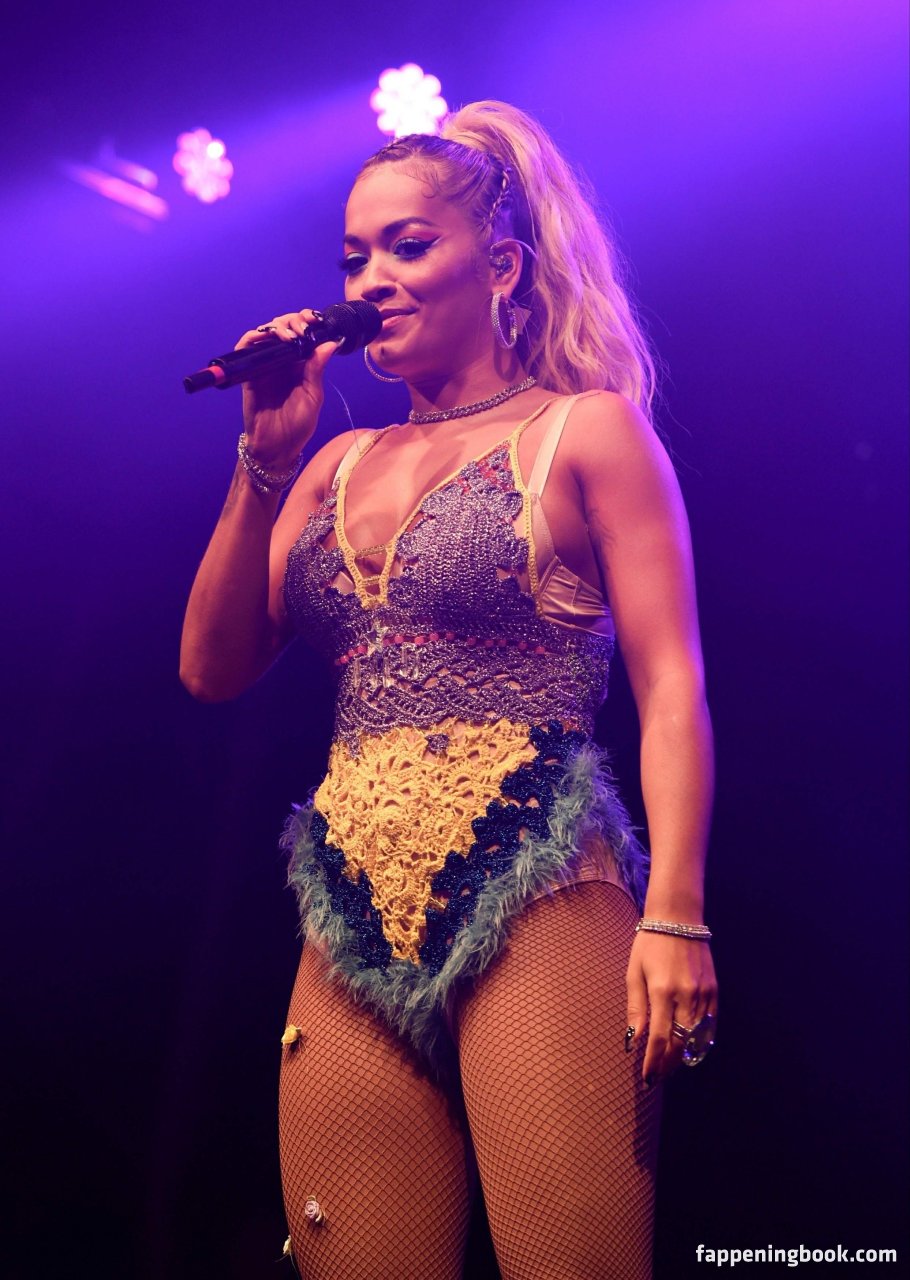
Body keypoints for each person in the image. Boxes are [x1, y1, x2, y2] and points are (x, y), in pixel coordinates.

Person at [180, 99, 717, 1280]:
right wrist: (263, 461)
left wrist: (675, 910)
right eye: (353, 258)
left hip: (537, 881)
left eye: (408, 246)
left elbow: (671, 684)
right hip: (349, 907)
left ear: (503, 266)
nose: (372, 278)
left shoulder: (584, 433)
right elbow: (211, 668)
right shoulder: (333, 461)